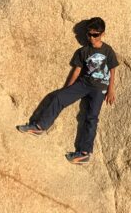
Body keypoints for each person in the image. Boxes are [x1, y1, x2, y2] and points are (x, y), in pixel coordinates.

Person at [16, 16, 119, 164]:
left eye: (95, 34)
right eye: (89, 34)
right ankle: (39, 126)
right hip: (83, 84)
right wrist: (67, 89)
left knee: (92, 117)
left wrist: (111, 89)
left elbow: (112, 70)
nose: (91, 38)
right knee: (58, 97)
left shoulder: (108, 50)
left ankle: (84, 153)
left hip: (100, 87)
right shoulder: (83, 51)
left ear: (103, 33)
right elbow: (77, 71)